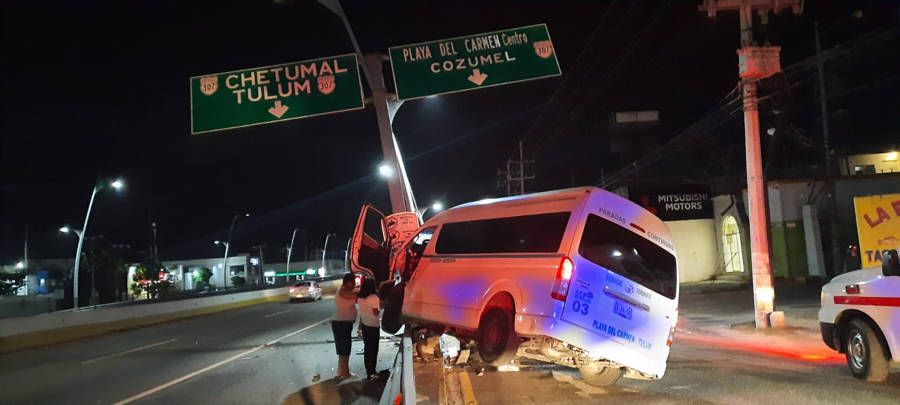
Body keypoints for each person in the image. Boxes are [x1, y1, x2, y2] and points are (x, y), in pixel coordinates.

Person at [332, 273, 357, 379]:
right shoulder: (343, 291)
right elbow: (357, 297)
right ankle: (345, 373)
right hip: (341, 323)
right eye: (353, 282)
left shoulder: (344, 290)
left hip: (342, 323)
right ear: (347, 282)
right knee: (345, 349)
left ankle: (340, 371)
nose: (355, 284)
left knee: (343, 349)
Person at [357, 277, 382, 381]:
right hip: (373, 326)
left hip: (364, 325)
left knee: (367, 349)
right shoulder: (374, 297)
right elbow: (376, 313)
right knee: (374, 349)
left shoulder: (360, 298)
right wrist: (382, 309)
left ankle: (369, 372)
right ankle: (372, 372)